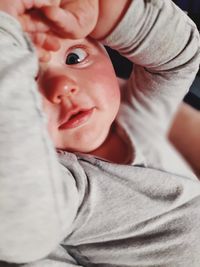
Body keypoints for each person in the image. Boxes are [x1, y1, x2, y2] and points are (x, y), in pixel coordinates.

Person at [0, 0, 200, 266]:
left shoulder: (138, 111)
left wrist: (103, 12)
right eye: (27, 84)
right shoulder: (63, 185)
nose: (62, 86)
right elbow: (25, 232)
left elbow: (180, 58)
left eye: (74, 57)